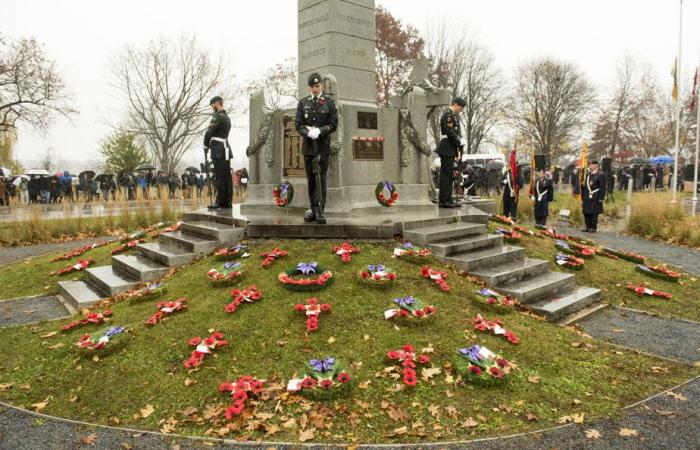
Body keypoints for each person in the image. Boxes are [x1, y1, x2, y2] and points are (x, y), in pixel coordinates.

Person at [294, 72, 338, 224]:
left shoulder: (329, 103)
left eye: (317, 86)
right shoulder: (303, 103)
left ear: (322, 85)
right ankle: (312, 210)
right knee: (311, 179)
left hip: (322, 146)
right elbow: (298, 124)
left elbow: (334, 124)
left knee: (321, 178)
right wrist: (308, 132)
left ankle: (320, 210)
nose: (315, 89)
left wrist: (320, 131)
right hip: (308, 146)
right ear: (310, 87)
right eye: (313, 87)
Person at [203, 96, 233, 209]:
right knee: (226, 177)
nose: (212, 108)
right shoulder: (227, 117)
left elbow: (209, 132)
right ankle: (227, 201)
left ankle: (220, 201)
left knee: (219, 177)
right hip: (225, 149)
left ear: (216, 104)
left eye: (212, 106)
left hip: (218, 150)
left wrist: (205, 144)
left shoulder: (217, 116)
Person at [436, 97, 466, 208]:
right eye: (461, 108)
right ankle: (444, 200)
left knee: (449, 176)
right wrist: (458, 141)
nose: (461, 110)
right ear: (456, 105)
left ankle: (448, 198)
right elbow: (450, 132)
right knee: (446, 176)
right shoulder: (448, 116)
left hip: (450, 147)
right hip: (447, 147)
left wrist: (459, 143)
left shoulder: (453, 116)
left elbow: (454, 132)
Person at [581, 160, 606, 233]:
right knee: (586, 212)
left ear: (596, 166)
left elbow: (603, 187)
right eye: (589, 165)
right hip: (587, 195)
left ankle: (593, 227)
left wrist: (601, 197)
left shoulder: (601, 175)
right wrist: (583, 196)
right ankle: (587, 227)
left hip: (596, 195)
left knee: (594, 212)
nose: (590, 166)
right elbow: (585, 186)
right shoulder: (588, 175)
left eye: (591, 165)